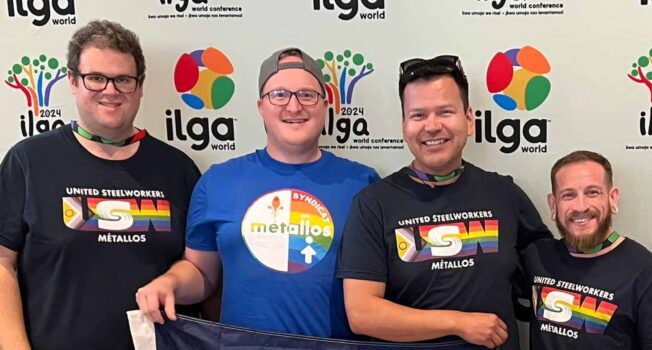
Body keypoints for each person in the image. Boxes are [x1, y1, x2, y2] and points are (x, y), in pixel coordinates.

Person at [136, 48, 379, 339]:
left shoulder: (362, 183)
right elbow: (201, 274)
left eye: (307, 94)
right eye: (279, 94)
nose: (293, 107)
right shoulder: (218, 182)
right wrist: (170, 283)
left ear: (325, 104)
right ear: (260, 106)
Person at [0, 20, 200, 350]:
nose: (110, 90)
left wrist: (172, 279)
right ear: (73, 81)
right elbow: (3, 262)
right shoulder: (29, 161)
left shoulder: (178, 169)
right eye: (96, 78)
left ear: (139, 86)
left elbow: (198, 268)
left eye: (123, 79)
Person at [336, 55, 552, 349]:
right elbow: (362, 314)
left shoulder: (504, 194)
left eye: (445, 112)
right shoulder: (374, 204)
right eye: (418, 115)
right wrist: (458, 323)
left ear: (469, 120)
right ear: (404, 126)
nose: (432, 126)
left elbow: (553, 279)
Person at [522, 150, 652, 349]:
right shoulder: (537, 257)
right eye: (568, 195)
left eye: (592, 192)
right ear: (553, 204)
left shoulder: (650, 273)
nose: (581, 206)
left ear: (612, 198)